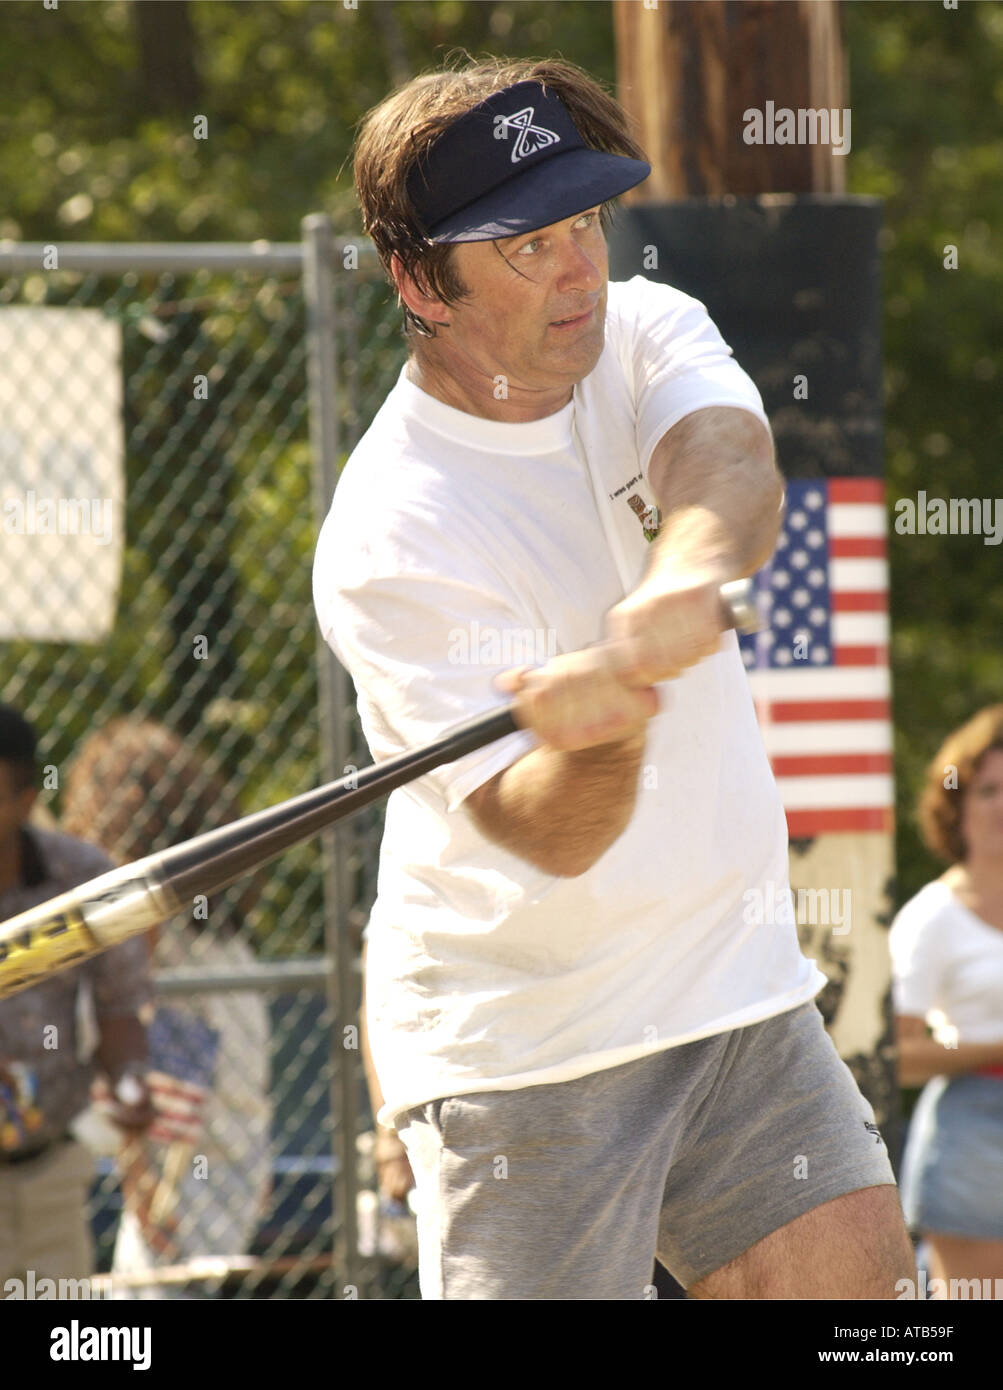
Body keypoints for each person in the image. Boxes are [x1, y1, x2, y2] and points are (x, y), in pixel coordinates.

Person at [313, 57, 916, 1300]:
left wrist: (671, 587)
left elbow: (729, 464)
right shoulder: (391, 534)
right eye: (528, 245)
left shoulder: (642, 328)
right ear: (420, 280)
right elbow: (554, 831)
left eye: (584, 221)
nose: (580, 268)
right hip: (529, 1050)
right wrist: (600, 738)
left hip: (734, 991)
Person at [61, 719, 272, 1298]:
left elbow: (143, 1051)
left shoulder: (146, 921)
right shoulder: (214, 918)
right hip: (229, 1068)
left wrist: (140, 1176)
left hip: (190, 1095)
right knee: (193, 1263)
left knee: (156, 1276)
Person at [0, 703, 153, 1288]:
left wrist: (129, 1079)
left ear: (28, 797)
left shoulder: (79, 877)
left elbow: (120, 1005)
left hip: (51, 1168)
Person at [890, 705, 1003, 1296]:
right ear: (954, 808)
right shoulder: (931, 918)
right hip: (975, 1134)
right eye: (987, 790)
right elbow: (899, 1054)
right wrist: (993, 1050)